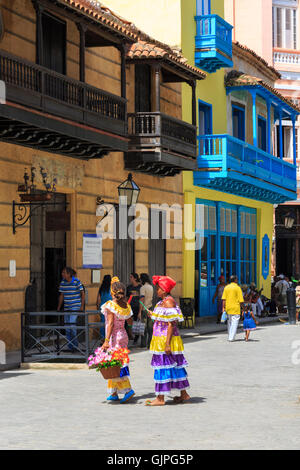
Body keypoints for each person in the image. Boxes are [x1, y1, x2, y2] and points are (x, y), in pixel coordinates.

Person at [145, 275, 190, 406]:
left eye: (158, 288)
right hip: (162, 339)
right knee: (175, 365)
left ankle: (160, 398)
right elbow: (163, 320)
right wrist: (152, 315)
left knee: (162, 367)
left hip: (166, 340)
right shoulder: (162, 302)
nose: (157, 290)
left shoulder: (168, 302)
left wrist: (167, 344)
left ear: (164, 290)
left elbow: (171, 324)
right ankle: (184, 394)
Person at [101, 277, 135, 403]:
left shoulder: (110, 305)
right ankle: (113, 392)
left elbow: (110, 324)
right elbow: (130, 322)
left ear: (112, 292)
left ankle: (127, 390)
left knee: (116, 365)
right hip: (123, 335)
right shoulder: (126, 306)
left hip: (114, 337)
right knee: (115, 362)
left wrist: (106, 340)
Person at [57, 267, 85, 351]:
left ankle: (75, 344)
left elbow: (82, 294)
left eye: (64, 273)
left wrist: (82, 306)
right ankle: (70, 346)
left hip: (75, 306)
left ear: (69, 274)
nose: (62, 274)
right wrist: (59, 307)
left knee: (72, 325)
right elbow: (61, 295)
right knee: (67, 327)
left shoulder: (76, 281)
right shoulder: (62, 282)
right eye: (62, 272)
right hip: (67, 307)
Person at [222, 275, 244, 342]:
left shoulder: (226, 287)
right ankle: (231, 337)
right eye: (237, 279)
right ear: (235, 280)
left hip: (228, 308)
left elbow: (224, 299)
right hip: (235, 308)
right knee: (234, 323)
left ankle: (230, 336)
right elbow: (241, 300)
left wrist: (223, 308)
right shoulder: (238, 288)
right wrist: (243, 308)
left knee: (229, 323)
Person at [138, 273, 154, 348]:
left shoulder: (143, 288)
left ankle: (143, 343)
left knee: (143, 328)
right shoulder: (151, 287)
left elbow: (142, 299)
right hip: (150, 308)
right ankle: (150, 343)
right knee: (150, 328)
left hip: (144, 309)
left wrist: (139, 312)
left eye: (140, 279)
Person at [126, 273, 141, 343]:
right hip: (130, 307)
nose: (130, 278)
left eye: (131, 277)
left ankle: (136, 338)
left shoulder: (140, 287)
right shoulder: (129, 287)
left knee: (137, 323)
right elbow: (127, 297)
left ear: (135, 278)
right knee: (127, 322)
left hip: (137, 307)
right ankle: (130, 335)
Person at [96, 275, 112, 339]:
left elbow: (98, 299)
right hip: (111, 307)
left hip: (102, 307)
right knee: (110, 322)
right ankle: (109, 339)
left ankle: (103, 338)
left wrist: (98, 307)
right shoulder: (112, 288)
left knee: (103, 323)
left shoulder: (101, 288)